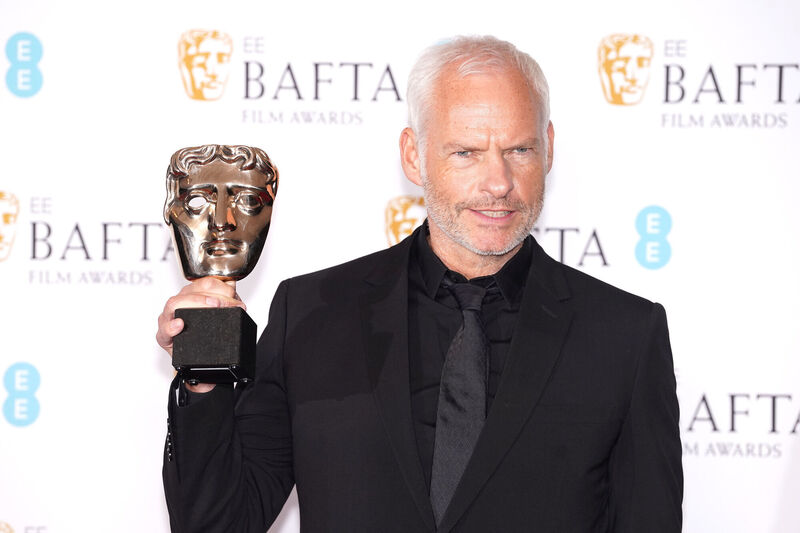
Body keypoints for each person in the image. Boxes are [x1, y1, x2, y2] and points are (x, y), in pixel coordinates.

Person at [158, 35, 682, 532]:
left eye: (519, 150)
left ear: (547, 146)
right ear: (414, 155)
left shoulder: (625, 336)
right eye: (466, 152)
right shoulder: (313, 312)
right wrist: (207, 372)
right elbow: (218, 522)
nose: (498, 183)